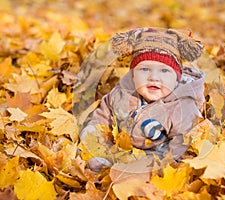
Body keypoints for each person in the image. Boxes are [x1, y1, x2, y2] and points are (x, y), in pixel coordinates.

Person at [79, 27, 206, 171]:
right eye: (145, 69)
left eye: (164, 71)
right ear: (133, 74)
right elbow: (102, 118)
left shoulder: (183, 108)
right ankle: (101, 165)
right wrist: (92, 134)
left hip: (155, 158)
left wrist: (162, 163)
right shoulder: (121, 94)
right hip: (119, 149)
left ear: (176, 78)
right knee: (90, 152)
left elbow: (183, 145)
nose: (154, 77)